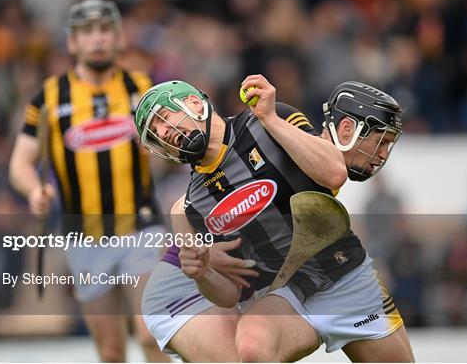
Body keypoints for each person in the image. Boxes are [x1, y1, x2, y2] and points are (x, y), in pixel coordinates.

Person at [137, 75, 413, 362]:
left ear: (194, 104)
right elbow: (230, 295)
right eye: (155, 133)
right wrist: (203, 273)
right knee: (251, 348)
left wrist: (270, 117)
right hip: (289, 294)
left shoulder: (267, 118)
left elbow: (333, 172)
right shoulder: (196, 201)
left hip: (346, 278)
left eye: (164, 119)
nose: (163, 132)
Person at [9, 0, 169, 362]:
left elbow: (170, 147)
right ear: (72, 43)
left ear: (119, 39)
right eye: (87, 32)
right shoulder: (49, 98)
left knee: (150, 334)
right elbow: (21, 162)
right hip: (84, 238)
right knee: (111, 351)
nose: (97, 39)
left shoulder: (141, 87)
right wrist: (34, 190)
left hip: (140, 228)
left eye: (105, 30)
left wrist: (159, 151)